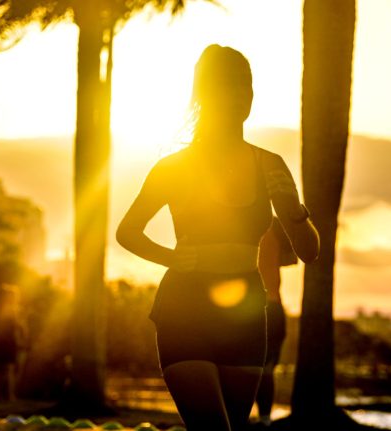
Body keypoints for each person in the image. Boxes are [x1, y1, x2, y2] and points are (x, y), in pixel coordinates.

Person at [116, 44, 320, 431]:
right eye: (229, 87)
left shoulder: (269, 164)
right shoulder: (174, 167)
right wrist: (170, 257)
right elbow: (127, 231)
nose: (240, 97)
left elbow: (309, 252)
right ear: (206, 96)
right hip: (184, 307)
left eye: (246, 87)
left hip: (245, 312)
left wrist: (293, 209)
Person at [254, 217, 297, 427]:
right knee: (266, 368)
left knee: (247, 366)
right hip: (271, 305)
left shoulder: (229, 220)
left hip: (254, 305)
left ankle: (260, 417)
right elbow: (290, 258)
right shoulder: (274, 224)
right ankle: (264, 418)